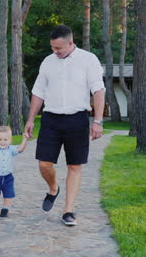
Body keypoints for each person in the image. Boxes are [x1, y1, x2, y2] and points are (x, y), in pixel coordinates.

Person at [24, 25, 105, 226]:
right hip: (51, 119)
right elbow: (38, 92)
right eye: (52, 47)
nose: (55, 52)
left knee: (74, 166)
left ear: (70, 43)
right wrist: (30, 119)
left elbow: (98, 91)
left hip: (77, 119)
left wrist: (98, 121)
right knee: (44, 163)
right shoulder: (48, 62)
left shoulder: (89, 60)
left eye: (58, 48)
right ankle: (53, 188)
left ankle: (68, 210)